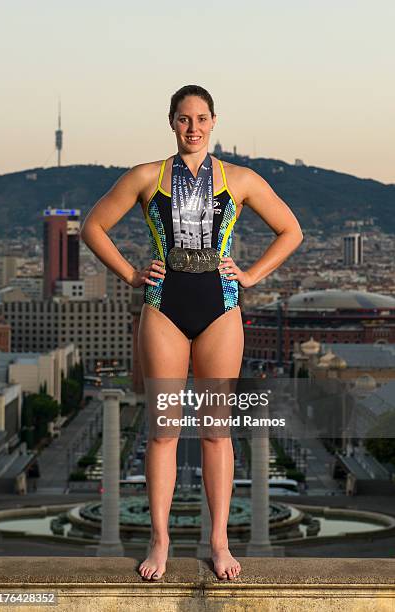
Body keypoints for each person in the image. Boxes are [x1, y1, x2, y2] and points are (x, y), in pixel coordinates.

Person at [80, 84, 303, 581]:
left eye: (202, 118)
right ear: (171, 121)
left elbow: (291, 229)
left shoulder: (240, 179)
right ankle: (159, 540)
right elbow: (93, 226)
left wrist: (251, 275)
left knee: (217, 432)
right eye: (184, 119)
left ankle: (219, 541)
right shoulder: (145, 176)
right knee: (163, 433)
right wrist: (131, 274)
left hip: (221, 309)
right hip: (163, 307)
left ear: (214, 122)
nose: (194, 127)